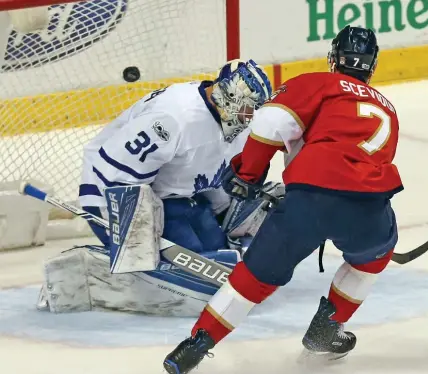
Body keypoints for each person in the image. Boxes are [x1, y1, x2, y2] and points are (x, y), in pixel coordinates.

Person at [163, 25, 403, 373]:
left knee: (254, 277)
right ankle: (326, 331)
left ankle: (197, 343)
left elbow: (271, 123)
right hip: (369, 208)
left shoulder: (316, 82)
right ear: (372, 66)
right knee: (373, 258)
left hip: (310, 199)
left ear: (334, 59)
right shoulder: (389, 109)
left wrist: (248, 175)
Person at [36, 59, 276, 316]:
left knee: (216, 262)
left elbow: (220, 175)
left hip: (180, 197)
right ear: (228, 95)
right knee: (186, 269)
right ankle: (87, 270)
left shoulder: (233, 121)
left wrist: (230, 212)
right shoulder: (173, 117)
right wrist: (133, 232)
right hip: (116, 192)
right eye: (246, 110)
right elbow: (116, 174)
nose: (248, 118)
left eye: (254, 111)